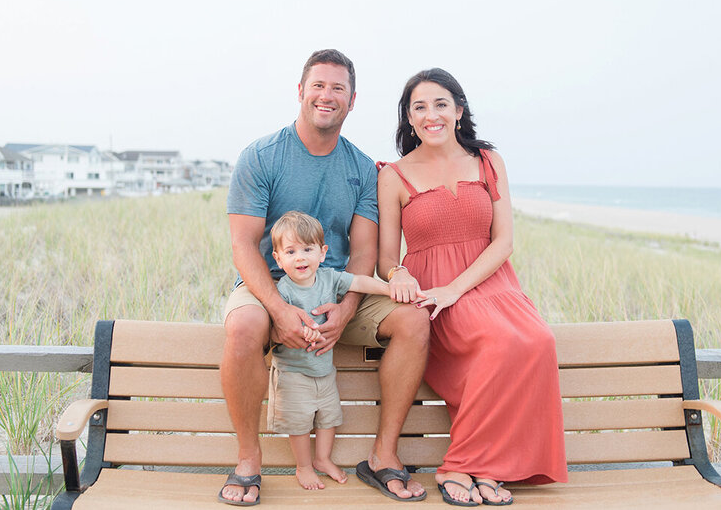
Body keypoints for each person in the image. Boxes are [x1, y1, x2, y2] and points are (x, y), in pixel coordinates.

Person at [218, 49, 430, 506]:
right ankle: (248, 460)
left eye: (338, 88)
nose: (327, 95)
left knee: (413, 321)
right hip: (269, 289)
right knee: (243, 327)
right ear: (300, 91)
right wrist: (278, 309)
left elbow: (365, 253)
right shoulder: (261, 157)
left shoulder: (361, 168)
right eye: (318, 85)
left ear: (352, 101)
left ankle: (383, 457)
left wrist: (344, 312)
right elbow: (242, 247)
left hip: (336, 293)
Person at [377, 68, 568, 506]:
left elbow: (505, 241)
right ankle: (460, 465)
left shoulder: (487, 161)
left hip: (490, 283)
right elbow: (388, 256)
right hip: (433, 292)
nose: (431, 115)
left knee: (538, 341)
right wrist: (399, 276)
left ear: (459, 110)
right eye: (419, 107)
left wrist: (458, 288)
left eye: (441, 104)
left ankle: (487, 467)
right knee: (496, 345)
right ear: (408, 118)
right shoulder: (394, 175)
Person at [267, 210, 404, 491]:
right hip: (293, 373)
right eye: (291, 251)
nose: (300, 257)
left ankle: (322, 459)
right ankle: (303, 466)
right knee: (300, 423)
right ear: (278, 258)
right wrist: (301, 329)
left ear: (322, 252)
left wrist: (389, 289)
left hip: (324, 370)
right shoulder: (284, 291)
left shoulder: (329, 278)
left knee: (328, 417)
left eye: (307, 249)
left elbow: (359, 282)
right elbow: (281, 322)